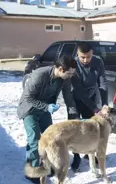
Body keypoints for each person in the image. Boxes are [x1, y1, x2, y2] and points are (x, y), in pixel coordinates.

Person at [17, 55, 78, 184]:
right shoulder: (40, 75)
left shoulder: (64, 79)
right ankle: (32, 171)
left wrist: (74, 117)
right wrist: (46, 106)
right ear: (61, 69)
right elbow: (28, 98)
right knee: (34, 141)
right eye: (69, 72)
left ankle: (47, 166)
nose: (71, 75)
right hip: (29, 110)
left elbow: (69, 99)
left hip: (44, 110)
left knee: (50, 139)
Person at [69, 42, 108, 172]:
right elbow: (79, 92)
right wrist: (96, 109)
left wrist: (104, 104)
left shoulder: (98, 62)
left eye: (88, 57)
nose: (85, 60)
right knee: (74, 128)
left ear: (92, 53)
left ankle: (89, 152)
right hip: (74, 99)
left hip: (90, 96)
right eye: (82, 57)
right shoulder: (73, 65)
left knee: (90, 128)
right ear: (77, 55)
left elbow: (102, 83)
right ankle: (76, 156)